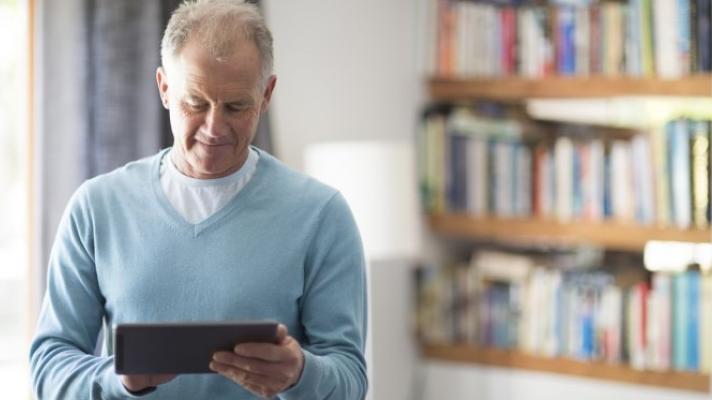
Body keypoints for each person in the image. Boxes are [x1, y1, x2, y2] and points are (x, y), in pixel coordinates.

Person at [29, 0, 368, 398]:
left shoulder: (322, 217)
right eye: (196, 103)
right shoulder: (96, 208)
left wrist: (299, 375)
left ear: (266, 94)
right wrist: (120, 381)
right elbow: (49, 367)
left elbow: (351, 381)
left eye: (236, 106)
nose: (213, 127)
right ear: (164, 88)